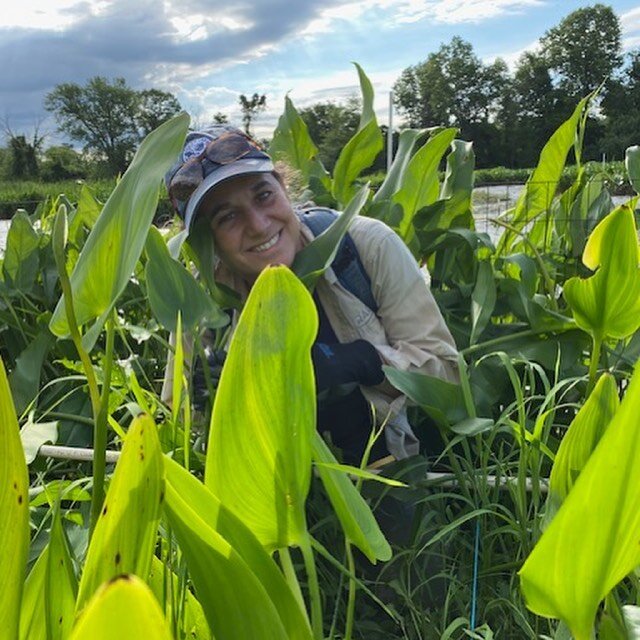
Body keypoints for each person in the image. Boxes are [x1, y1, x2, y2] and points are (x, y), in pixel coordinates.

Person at [163, 124, 460, 468]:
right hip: (272, 481)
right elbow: (178, 421)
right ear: (203, 242)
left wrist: (363, 361)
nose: (259, 225)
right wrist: (214, 399)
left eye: (263, 195)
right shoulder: (202, 298)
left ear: (284, 188)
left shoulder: (366, 247)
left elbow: (449, 376)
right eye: (227, 216)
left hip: (388, 471)